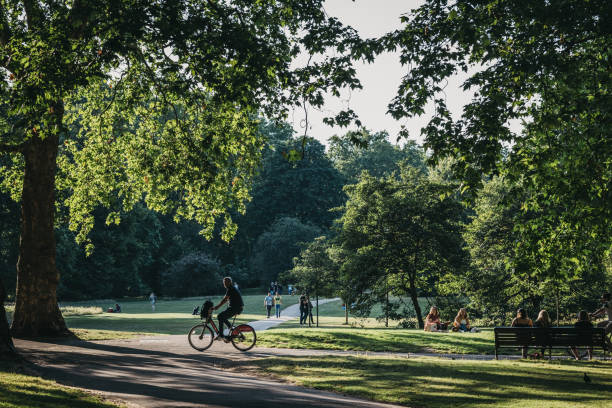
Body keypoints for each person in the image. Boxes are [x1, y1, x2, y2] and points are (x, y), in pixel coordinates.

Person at [212, 277, 244, 341]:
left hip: (236, 308)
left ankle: (221, 335)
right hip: (236, 307)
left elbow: (224, 300)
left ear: (229, 282)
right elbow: (226, 299)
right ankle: (232, 329)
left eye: (225, 283)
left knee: (220, 316)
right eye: (224, 283)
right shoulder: (230, 288)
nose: (224, 284)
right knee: (222, 317)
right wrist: (217, 306)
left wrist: (217, 307)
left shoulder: (231, 289)